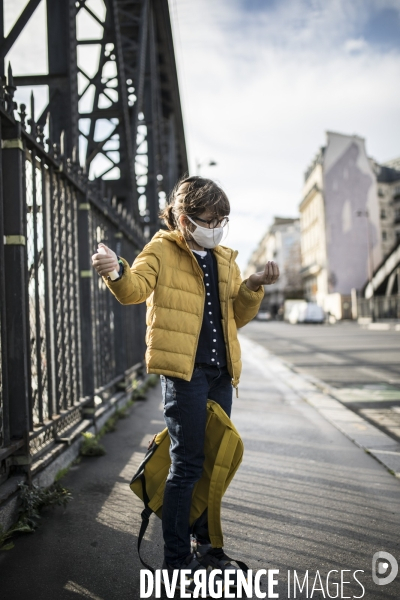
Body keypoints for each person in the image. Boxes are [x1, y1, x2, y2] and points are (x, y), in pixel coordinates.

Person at [91, 176, 279, 593]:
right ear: (183, 218)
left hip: (220, 374)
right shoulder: (161, 249)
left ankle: (208, 548)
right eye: (210, 219)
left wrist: (251, 287)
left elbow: (237, 317)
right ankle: (176, 561)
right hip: (184, 373)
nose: (216, 227)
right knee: (188, 465)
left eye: (222, 220)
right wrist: (116, 271)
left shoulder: (225, 258)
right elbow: (134, 290)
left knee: (212, 464)